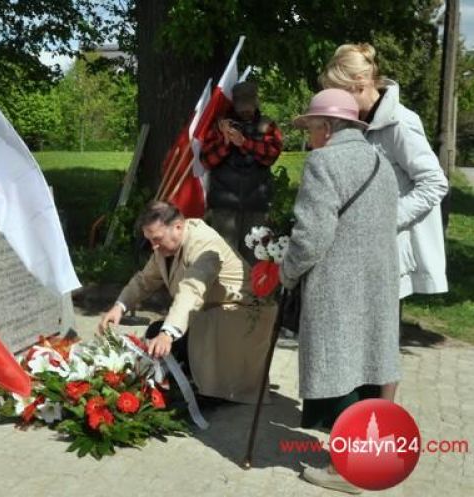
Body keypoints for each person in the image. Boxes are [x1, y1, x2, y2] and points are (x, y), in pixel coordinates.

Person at [282, 89, 400, 493]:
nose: (309, 138)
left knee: (338, 371)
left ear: (328, 127)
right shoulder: (380, 161)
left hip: (336, 286)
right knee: (368, 368)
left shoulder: (323, 161)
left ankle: (345, 469)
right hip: (378, 285)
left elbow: (312, 236)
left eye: (312, 128)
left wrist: (287, 271)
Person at [320, 43, 449, 402]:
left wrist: (384, 220)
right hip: (362, 252)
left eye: (341, 92)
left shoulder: (400, 123)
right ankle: (357, 425)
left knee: (379, 343)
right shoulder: (360, 123)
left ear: (361, 83)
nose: (337, 102)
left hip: (389, 254)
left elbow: (434, 183)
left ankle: (375, 428)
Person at [99, 201, 276, 404]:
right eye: (149, 240)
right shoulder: (164, 246)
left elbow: (192, 290)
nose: (153, 247)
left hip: (241, 314)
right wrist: (119, 307)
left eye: (156, 239)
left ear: (178, 227)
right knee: (156, 334)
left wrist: (168, 333)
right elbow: (144, 280)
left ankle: (217, 389)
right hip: (210, 311)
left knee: (165, 337)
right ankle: (190, 380)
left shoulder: (204, 244)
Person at [201, 80, 284, 264]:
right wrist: (225, 143)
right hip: (224, 204)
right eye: (241, 106)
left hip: (256, 203)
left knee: (254, 259)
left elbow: (272, 155)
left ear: (256, 102)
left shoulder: (267, 125)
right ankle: (225, 294)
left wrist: (244, 143)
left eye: (249, 105)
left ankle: (253, 293)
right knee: (224, 260)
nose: (246, 110)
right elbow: (206, 160)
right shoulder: (219, 125)